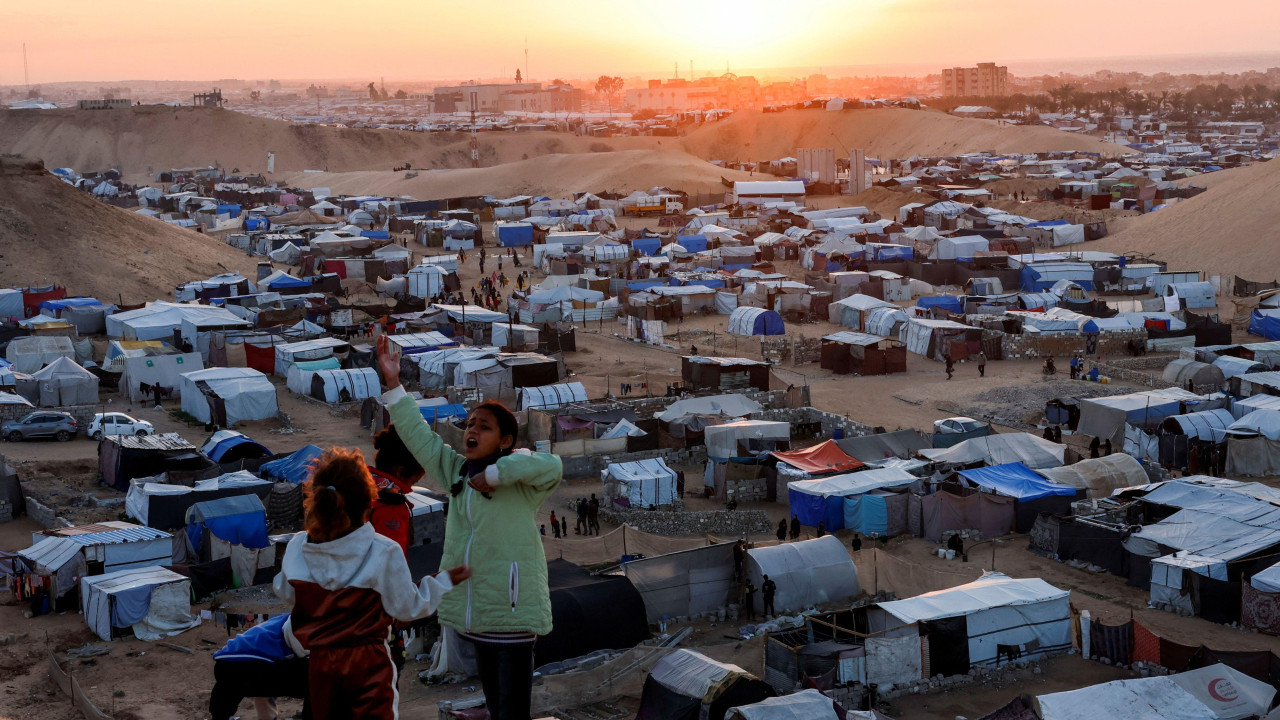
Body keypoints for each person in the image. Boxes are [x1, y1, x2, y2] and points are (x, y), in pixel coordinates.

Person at [376, 334, 563, 720]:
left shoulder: (521, 481)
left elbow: (551, 466)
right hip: (477, 618)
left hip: (512, 616)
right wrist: (393, 384)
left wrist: (496, 474)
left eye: (484, 427)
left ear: (505, 440)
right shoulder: (458, 473)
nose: (471, 431)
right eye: (470, 424)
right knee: (496, 708)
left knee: (512, 712)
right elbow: (420, 438)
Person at [274, 448, 469, 719]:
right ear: (368, 504)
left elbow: (284, 591)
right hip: (368, 668)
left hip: (321, 668)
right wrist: (443, 581)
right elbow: (407, 608)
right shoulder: (383, 551)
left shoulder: (298, 548)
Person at [208, 614, 311, 720]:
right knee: (314, 679)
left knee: (229, 688)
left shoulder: (282, 619)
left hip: (224, 664)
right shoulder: (304, 618)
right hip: (247, 668)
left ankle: (220, 715)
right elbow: (292, 632)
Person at [368, 425, 424, 557]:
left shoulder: (358, 484)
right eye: (412, 482)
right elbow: (392, 560)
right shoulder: (391, 507)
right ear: (400, 472)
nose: (409, 489)